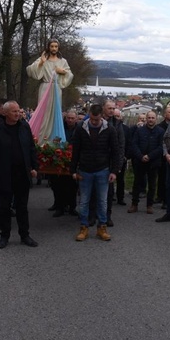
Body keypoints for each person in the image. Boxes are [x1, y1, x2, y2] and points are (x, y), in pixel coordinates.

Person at [0, 101, 39, 249]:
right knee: (4, 207)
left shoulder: (25, 127)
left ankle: (25, 235)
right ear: (6, 113)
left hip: (22, 174)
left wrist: (34, 167)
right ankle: (4, 236)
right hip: (4, 175)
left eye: (19, 111)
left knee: (22, 207)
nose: (18, 114)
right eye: (14, 111)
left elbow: (31, 148)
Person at [70, 104, 120, 242]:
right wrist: (73, 170)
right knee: (84, 201)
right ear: (89, 115)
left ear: (101, 117)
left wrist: (114, 171)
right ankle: (84, 227)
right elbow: (76, 150)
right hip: (85, 169)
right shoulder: (81, 128)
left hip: (103, 170)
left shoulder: (110, 129)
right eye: (92, 119)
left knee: (102, 201)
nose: (94, 122)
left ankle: (102, 227)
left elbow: (115, 151)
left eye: (96, 120)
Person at [27, 38, 73, 143]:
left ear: (58, 48)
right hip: (45, 87)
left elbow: (70, 75)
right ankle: (40, 139)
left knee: (55, 114)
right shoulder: (44, 59)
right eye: (52, 46)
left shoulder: (63, 61)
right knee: (44, 113)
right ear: (48, 47)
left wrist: (62, 72)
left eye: (56, 46)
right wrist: (41, 63)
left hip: (56, 88)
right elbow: (30, 70)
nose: (54, 48)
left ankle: (53, 139)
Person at [128, 110, 165, 214]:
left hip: (153, 162)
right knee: (137, 183)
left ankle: (149, 205)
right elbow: (134, 145)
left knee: (152, 185)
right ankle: (134, 204)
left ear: (156, 119)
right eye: (149, 118)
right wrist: (141, 156)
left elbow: (161, 147)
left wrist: (149, 156)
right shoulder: (139, 131)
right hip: (140, 161)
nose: (150, 120)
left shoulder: (160, 131)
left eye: (153, 118)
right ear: (146, 119)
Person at [50, 110, 79, 217]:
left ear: (76, 119)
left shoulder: (79, 129)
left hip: (73, 160)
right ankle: (60, 207)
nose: (70, 120)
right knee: (58, 185)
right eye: (68, 118)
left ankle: (72, 207)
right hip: (60, 159)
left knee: (72, 186)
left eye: (72, 118)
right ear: (65, 118)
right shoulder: (60, 128)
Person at [156, 105, 170, 208]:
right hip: (162, 155)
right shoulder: (160, 126)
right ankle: (160, 196)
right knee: (161, 177)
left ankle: (168, 199)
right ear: (165, 114)